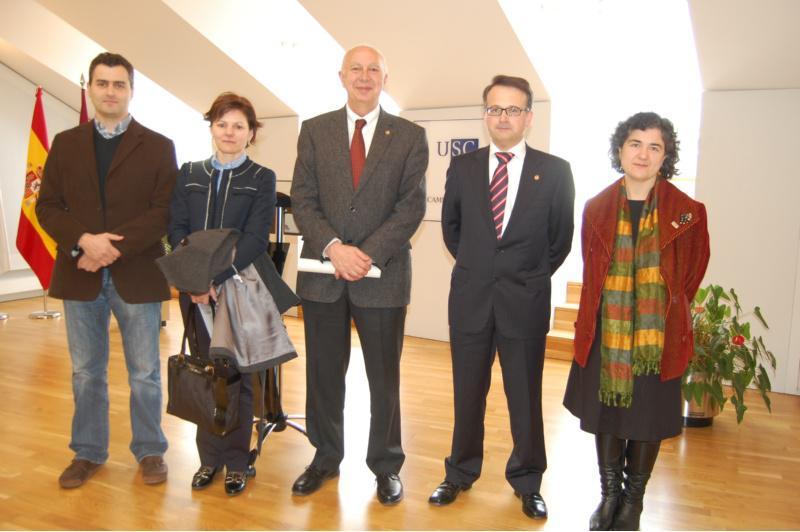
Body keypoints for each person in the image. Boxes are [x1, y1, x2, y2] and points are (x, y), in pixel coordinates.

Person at [289, 45, 428, 505]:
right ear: (341, 76)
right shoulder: (314, 131)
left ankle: (386, 465)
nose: (364, 77)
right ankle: (325, 457)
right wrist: (334, 248)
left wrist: (362, 255)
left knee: (384, 378)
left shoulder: (409, 135)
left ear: (385, 79)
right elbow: (303, 200)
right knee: (324, 374)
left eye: (374, 70)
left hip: (382, 277)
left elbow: (410, 208)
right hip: (322, 276)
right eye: (356, 69)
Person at [432, 75, 575, 519]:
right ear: (485, 115)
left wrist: (522, 275)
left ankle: (528, 480)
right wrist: (483, 269)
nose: (503, 117)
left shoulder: (555, 171)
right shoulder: (464, 167)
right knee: (467, 393)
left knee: (525, 397)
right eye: (495, 109)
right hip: (471, 300)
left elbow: (560, 240)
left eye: (513, 110)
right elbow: (452, 231)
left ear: (529, 117)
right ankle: (459, 472)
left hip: (524, 302)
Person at [563, 112, 710, 530]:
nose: (643, 154)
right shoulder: (596, 208)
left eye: (654, 146)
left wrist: (658, 311)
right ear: (620, 149)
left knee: (646, 420)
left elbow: (692, 273)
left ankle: (633, 502)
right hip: (605, 334)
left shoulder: (688, 213)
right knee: (606, 416)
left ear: (666, 156)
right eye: (635, 143)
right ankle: (609, 496)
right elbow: (592, 271)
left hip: (657, 338)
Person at [36, 52, 176, 488]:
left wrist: (109, 248)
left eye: (119, 84)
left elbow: (162, 212)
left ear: (131, 90)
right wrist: (85, 242)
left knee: (145, 373)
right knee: (85, 371)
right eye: (102, 83)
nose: (110, 91)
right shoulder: (64, 142)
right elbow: (47, 206)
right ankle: (88, 452)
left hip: (136, 272)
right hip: (80, 272)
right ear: (90, 88)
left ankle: (150, 451)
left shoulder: (157, 145)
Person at [167, 92, 278, 496]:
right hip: (195, 292)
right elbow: (175, 230)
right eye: (221, 123)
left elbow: (255, 239)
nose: (229, 132)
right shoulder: (189, 172)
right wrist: (195, 280)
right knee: (204, 374)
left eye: (238, 126)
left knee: (240, 378)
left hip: (238, 289)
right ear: (211, 127)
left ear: (251, 133)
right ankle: (208, 459)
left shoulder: (261, 178)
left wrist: (220, 276)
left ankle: (235, 459)